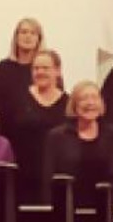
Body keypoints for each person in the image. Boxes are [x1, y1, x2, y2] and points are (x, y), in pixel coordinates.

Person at [42, 81, 113, 206]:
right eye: (83, 98)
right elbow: (48, 177)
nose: (90, 103)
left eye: (94, 98)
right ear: (74, 105)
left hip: (104, 207)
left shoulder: (112, 134)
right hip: (67, 207)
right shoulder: (57, 136)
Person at [5, 49, 70, 203]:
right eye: (36, 68)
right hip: (22, 176)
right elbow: (5, 135)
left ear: (57, 71)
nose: (40, 72)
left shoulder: (69, 103)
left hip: (56, 177)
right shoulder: (17, 99)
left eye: (45, 68)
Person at [0, 17, 45, 118]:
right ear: (16, 37)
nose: (28, 36)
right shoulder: (2, 68)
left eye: (33, 33)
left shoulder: (45, 69)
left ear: (39, 39)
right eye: (24, 32)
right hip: (7, 125)